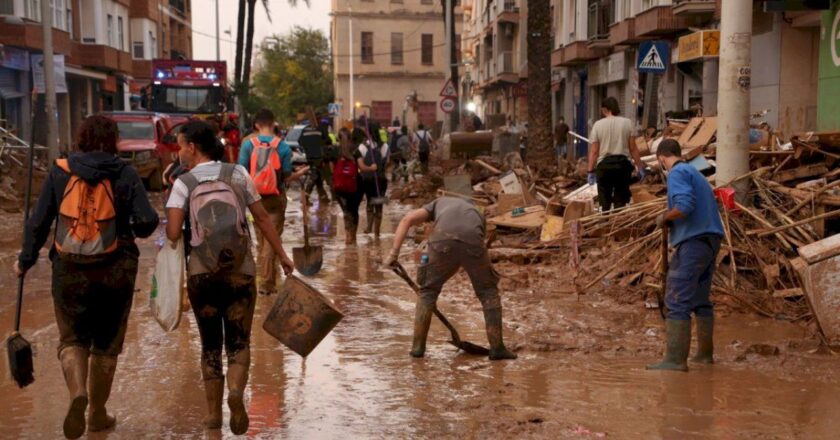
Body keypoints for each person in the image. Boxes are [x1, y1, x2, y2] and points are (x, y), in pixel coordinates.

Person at [16, 115, 159, 439]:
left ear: (80, 138)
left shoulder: (60, 170)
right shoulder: (124, 172)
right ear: (113, 141)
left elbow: (37, 222)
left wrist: (25, 260)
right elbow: (148, 221)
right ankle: (96, 414)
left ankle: (77, 391)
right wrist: (132, 227)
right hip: (116, 268)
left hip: (68, 269)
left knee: (72, 340)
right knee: (106, 346)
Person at [165, 120, 294, 434]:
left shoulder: (184, 182)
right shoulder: (237, 174)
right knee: (238, 343)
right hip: (240, 272)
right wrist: (282, 256)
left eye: (181, 146)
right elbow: (262, 218)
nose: (179, 151)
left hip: (201, 275)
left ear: (192, 148)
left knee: (210, 345)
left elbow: (171, 234)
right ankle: (236, 393)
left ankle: (212, 419)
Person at [384, 196, 517, 361]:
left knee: (427, 292)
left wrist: (393, 254)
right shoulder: (477, 213)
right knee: (488, 291)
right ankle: (497, 348)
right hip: (473, 242)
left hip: (441, 241)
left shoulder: (437, 203)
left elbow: (407, 219)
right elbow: (465, 254)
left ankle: (417, 348)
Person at [647, 139, 724, 372]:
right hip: (710, 240)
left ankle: (675, 360)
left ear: (661, 158)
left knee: (676, 297)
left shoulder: (677, 173)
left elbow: (685, 205)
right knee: (700, 299)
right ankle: (703, 355)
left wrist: (666, 217)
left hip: (694, 242)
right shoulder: (694, 172)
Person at [237, 109, 307, 295]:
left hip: (253, 199)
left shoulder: (248, 145)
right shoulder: (282, 146)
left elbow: (241, 172)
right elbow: (285, 175)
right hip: (276, 199)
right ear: (273, 123)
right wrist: (298, 174)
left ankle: (266, 278)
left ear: (256, 125)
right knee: (272, 240)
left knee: (261, 239)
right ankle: (267, 284)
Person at [587, 97, 645, 212]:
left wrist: (590, 171)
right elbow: (633, 148)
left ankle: (605, 223)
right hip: (622, 167)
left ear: (605, 109)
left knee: (605, 204)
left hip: (604, 167)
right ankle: (618, 225)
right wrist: (640, 167)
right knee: (620, 202)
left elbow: (594, 152)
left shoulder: (597, 125)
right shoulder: (627, 123)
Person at [334, 127, 365, 245]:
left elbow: (331, 169)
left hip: (339, 188)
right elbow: (361, 167)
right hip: (356, 187)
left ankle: (347, 237)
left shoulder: (335, 151)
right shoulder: (356, 151)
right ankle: (353, 237)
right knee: (354, 211)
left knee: (346, 211)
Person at [359, 121, 390, 239]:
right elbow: (386, 162)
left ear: (368, 132)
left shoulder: (362, 146)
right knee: (379, 204)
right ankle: (377, 232)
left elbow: (359, 163)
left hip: (367, 180)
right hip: (381, 179)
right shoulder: (385, 146)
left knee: (369, 202)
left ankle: (368, 227)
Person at [300, 124, 330, 203]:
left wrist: (307, 149)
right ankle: (305, 196)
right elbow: (328, 141)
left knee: (317, 176)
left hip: (309, 156)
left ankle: (324, 197)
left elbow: (300, 141)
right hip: (318, 156)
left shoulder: (305, 129)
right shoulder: (320, 128)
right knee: (315, 175)